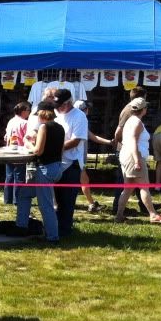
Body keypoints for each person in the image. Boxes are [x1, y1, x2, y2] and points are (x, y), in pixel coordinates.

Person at [15, 101, 66, 243]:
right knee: (24, 194)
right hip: (56, 167)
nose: (37, 117)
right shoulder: (60, 128)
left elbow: (38, 151)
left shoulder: (44, 127)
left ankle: (52, 237)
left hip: (45, 169)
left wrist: (28, 143)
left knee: (46, 205)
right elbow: (61, 149)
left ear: (42, 113)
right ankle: (21, 226)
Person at [111, 88, 161, 217]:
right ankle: (153, 215)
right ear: (143, 109)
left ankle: (119, 215)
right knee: (144, 187)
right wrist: (137, 160)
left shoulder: (130, 120)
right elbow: (133, 141)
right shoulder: (137, 122)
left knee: (128, 189)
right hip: (134, 156)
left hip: (127, 155)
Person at [53, 88, 88, 236]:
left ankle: (65, 230)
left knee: (67, 201)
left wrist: (54, 149)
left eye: (61, 105)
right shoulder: (57, 114)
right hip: (58, 162)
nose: (58, 108)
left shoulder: (79, 116)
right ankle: (56, 227)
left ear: (68, 103)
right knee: (57, 199)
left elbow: (75, 141)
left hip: (71, 163)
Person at [2, 101, 31, 205]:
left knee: (9, 176)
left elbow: (6, 136)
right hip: (20, 152)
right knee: (19, 177)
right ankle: (17, 199)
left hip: (9, 150)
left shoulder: (11, 121)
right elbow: (27, 137)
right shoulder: (25, 123)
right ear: (23, 111)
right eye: (28, 110)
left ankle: (7, 199)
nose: (29, 112)